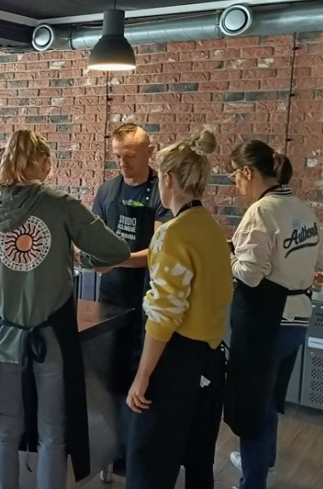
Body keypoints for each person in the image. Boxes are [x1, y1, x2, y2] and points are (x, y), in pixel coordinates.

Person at [0, 129, 131, 489]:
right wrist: (80, 258)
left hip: (6, 337)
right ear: (42, 163)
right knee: (53, 432)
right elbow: (116, 250)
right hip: (53, 338)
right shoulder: (61, 204)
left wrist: (2, 285)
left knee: (5, 429)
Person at [125, 129, 232, 489]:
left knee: (150, 463)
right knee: (199, 462)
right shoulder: (213, 230)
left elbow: (164, 316)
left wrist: (142, 375)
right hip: (211, 361)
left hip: (176, 363)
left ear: (167, 179)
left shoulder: (171, 234)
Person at [224, 140, 323, 489]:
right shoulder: (303, 209)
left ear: (247, 172)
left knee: (251, 405)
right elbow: (319, 261)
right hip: (297, 319)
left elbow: (250, 274)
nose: (236, 185)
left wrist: (227, 255)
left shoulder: (261, 212)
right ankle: (262, 460)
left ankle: (253, 481)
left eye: (235, 176)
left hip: (266, 323)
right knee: (269, 399)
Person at [90, 123, 171, 473]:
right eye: (117, 156)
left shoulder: (161, 192)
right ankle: (113, 450)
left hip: (148, 301)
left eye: (130, 156)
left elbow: (159, 250)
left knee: (144, 381)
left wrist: (116, 259)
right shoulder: (107, 190)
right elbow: (94, 237)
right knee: (112, 377)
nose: (122, 163)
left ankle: (139, 454)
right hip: (111, 300)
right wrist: (93, 256)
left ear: (149, 152)